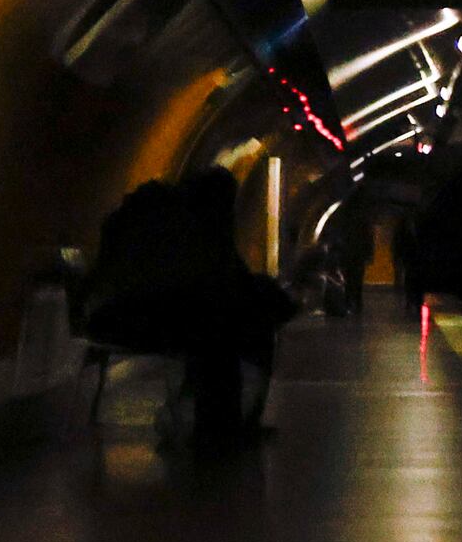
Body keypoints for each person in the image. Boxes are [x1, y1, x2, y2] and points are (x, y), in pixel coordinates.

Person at [75, 167, 296, 444]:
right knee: (222, 329)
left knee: (218, 324)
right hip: (127, 316)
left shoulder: (164, 220)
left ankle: (221, 426)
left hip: (118, 313)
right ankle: (225, 427)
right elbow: (209, 282)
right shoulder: (186, 231)